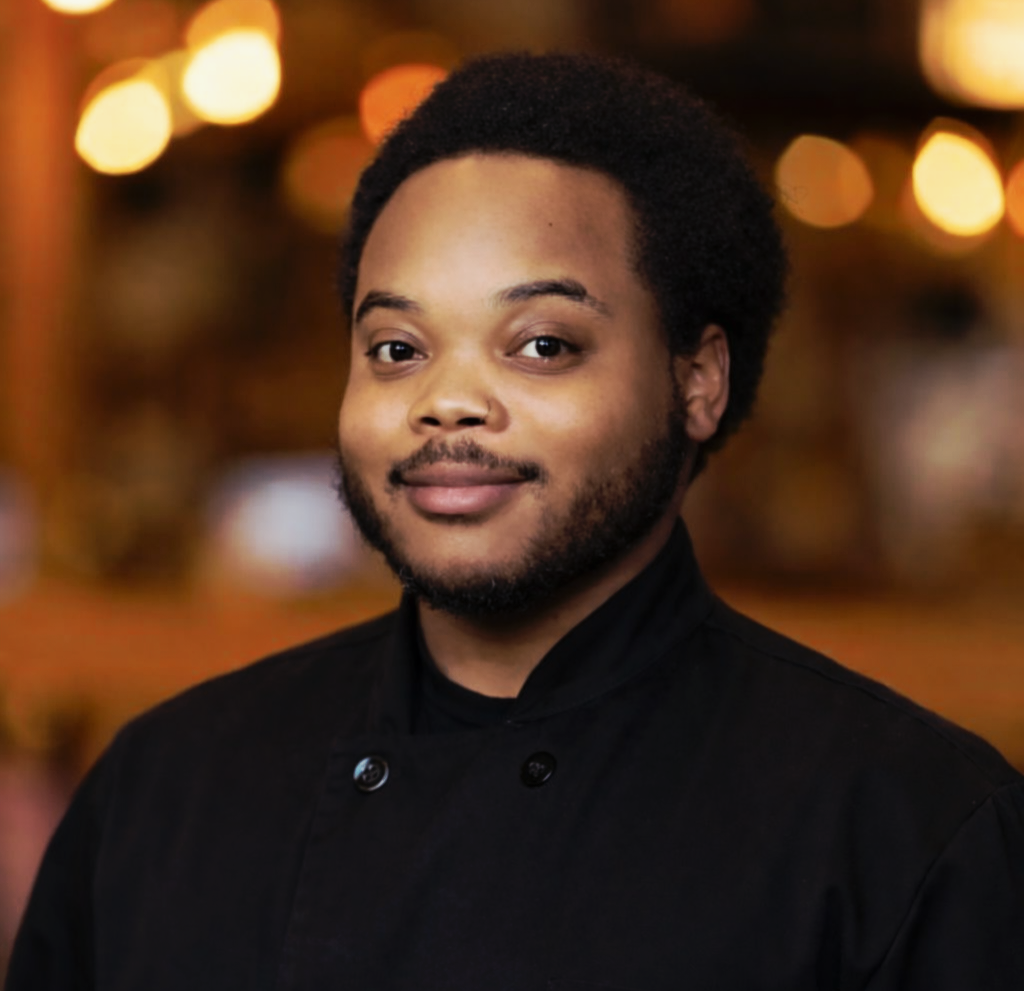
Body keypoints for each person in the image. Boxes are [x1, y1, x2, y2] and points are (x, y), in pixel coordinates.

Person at [7, 52, 1024, 991]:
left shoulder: (905, 830)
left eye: (540, 344)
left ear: (698, 380)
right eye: (397, 349)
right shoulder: (165, 790)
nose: (446, 402)